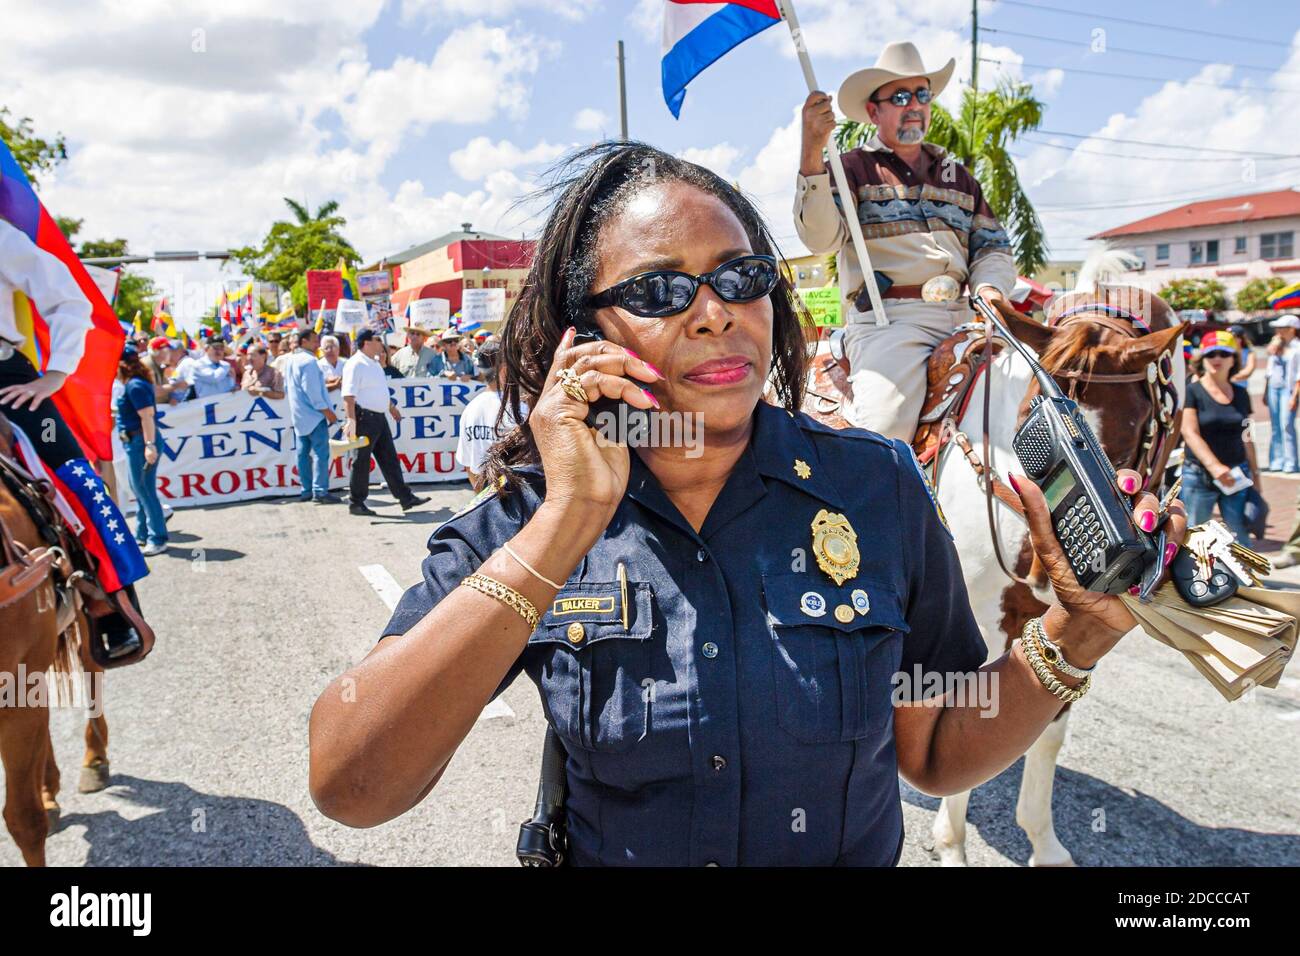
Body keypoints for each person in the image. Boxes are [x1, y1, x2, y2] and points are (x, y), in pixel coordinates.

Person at [308, 142, 1185, 864]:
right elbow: (352, 786)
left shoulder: (876, 484)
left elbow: (936, 748)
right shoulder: (528, 517)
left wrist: (1076, 637)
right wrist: (567, 522)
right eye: (659, 290)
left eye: (740, 276)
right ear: (587, 331)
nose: (713, 312)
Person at [793, 41, 1016, 442]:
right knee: (885, 430)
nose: (914, 104)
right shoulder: (850, 170)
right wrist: (812, 152)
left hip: (967, 318)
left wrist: (990, 291)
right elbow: (821, 239)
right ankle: (875, 500)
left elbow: (992, 247)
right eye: (900, 96)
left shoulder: (958, 175)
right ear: (874, 111)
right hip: (890, 323)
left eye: (922, 94)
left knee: (1039, 391)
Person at [0, 216, 154, 661]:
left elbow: (70, 299)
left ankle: (110, 602)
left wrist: (54, 375)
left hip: (5, 379)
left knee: (70, 471)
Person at [340, 328, 430, 517]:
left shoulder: (373, 363)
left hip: (379, 418)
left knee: (390, 459)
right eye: (377, 339)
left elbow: (378, 391)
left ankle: (405, 497)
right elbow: (348, 395)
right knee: (361, 462)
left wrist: (390, 408)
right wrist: (351, 420)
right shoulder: (355, 364)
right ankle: (356, 502)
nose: (381, 343)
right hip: (364, 418)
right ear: (366, 342)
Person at [1179, 331, 1257, 545]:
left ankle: (1241, 578)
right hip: (1199, 475)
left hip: (1236, 473)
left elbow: (1247, 435)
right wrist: (1215, 467)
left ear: (1234, 359)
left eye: (1224, 353)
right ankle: (1198, 578)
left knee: (1238, 534)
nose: (1217, 359)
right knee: (1197, 535)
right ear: (1202, 359)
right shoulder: (1192, 391)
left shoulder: (1241, 394)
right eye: (1211, 354)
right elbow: (1189, 432)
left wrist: (1256, 477)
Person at [116, 345, 169, 556]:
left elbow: (147, 417)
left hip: (140, 441)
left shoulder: (135, 385)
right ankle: (143, 533)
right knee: (139, 489)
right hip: (136, 441)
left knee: (144, 490)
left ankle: (158, 538)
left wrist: (149, 446)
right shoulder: (134, 384)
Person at [456, 339, 522, 490]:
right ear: (504, 369)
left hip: (486, 498)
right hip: (516, 496)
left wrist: (482, 499)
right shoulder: (518, 409)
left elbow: (469, 465)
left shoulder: (469, 410)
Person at [285, 328, 341, 504]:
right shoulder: (309, 362)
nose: (318, 344)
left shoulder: (291, 360)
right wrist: (328, 412)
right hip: (314, 415)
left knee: (302, 454)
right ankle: (320, 491)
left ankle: (306, 490)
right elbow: (313, 391)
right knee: (319, 454)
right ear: (304, 342)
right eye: (314, 340)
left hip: (299, 415)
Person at [1264, 314, 1300, 473]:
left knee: (1287, 425)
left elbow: (1299, 375)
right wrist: (1265, 390)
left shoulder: (1297, 347)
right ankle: (1277, 460)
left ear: (1292, 329)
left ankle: (1291, 462)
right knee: (1275, 426)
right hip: (1274, 388)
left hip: (1288, 390)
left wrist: (1294, 396)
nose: (1278, 331)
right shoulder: (1277, 345)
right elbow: (1269, 370)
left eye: (1282, 328)